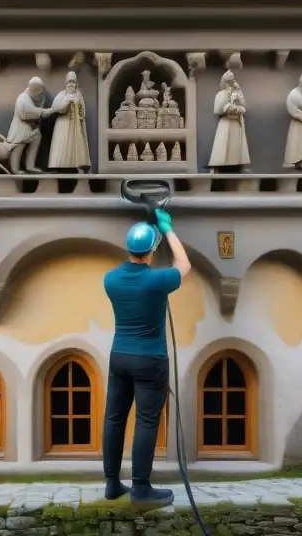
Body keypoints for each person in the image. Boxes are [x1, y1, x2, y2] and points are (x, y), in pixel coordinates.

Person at [101, 207, 192, 508]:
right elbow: (184, 264)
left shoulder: (110, 280)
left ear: (128, 248)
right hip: (150, 360)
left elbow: (131, 271)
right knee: (146, 421)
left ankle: (112, 483)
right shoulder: (157, 281)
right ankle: (140, 487)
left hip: (119, 357)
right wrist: (167, 229)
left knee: (114, 418)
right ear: (151, 251)